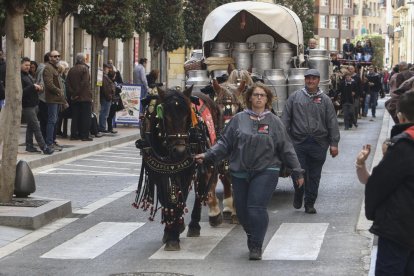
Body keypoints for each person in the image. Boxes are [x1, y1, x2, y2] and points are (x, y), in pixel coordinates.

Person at [195, 83, 304, 260]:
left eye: (263, 95)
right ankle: (251, 234)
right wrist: (207, 155)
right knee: (243, 213)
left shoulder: (274, 122)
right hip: (240, 172)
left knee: (256, 208)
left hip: (266, 170)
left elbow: (286, 148)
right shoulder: (238, 119)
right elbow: (224, 144)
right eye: (256, 95)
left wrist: (297, 171)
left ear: (267, 99)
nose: (259, 98)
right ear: (250, 98)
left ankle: (256, 246)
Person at [365, 90, 414, 275]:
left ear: (401, 117)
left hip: (399, 227)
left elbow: (378, 184)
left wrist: (373, 214)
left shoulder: (403, 146)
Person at [281, 69, 340, 214]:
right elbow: (285, 120)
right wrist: (283, 141)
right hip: (298, 143)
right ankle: (299, 193)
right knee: (297, 171)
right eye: (308, 78)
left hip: (319, 143)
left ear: (318, 80)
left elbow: (332, 122)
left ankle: (309, 203)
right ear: (304, 80)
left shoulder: (325, 100)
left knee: (314, 175)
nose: (311, 81)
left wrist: (334, 143)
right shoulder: (295, 97)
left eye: (314, 78)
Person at [20, 57, 54, 155]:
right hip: (27, 105)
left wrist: (38, 87)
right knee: (36, 127)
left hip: (34, 104)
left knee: (31, 126)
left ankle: (29, 145)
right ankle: (44, 147)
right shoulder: (20, 76)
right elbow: (21, 92)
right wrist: (33, 86)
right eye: (25, 65)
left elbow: (32, 88)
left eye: (29, 65)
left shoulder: (28, 75)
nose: (28, 67)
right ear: (21, 65)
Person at [43, 50, 68, 150]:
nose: (57, 58)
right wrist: (59, 91)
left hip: (58, 99)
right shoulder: (48, 68)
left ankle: (52, 141)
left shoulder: (55, 68)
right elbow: (48, 84)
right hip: (52, 99)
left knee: (55, 121)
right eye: (54, 56)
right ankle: (49, 143)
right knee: (52, 121)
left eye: (58, 56)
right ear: (50, 58)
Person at [66, 53, 93, 141]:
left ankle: (74, 134)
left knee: (75, 117)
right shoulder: (85, 69)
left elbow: (67, 83)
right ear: (83, 60)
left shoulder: (71, 69)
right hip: (84, 97)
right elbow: (84, 83)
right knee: (85, 117)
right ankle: (84, 135)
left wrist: (73, 94)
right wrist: (77, 93)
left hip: (75, 98)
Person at [98, 63, 115, 133]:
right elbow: (105, 88)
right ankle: (102, 127)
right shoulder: (103, 77)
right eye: (107, 69)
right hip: (106, 98)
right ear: (104, 69)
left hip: (107, 97)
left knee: (105, 113)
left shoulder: (105, 76)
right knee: (104, 113)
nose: (108, 70)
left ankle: (103, 127)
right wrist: (109, 96)